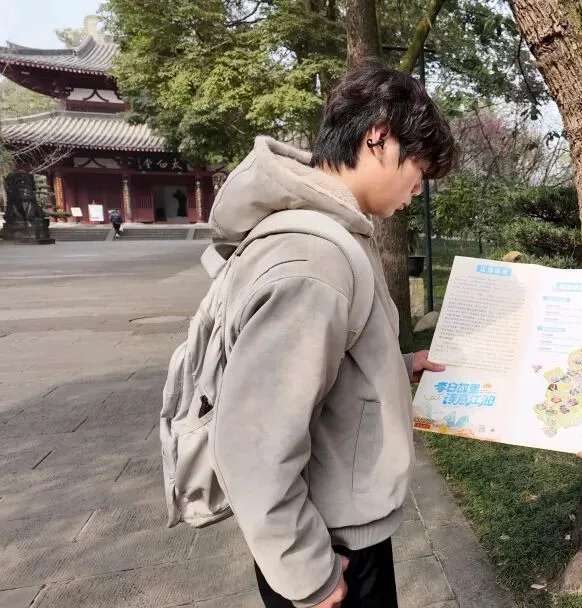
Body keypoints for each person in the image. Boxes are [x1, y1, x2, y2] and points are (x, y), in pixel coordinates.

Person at [207, 61, 455, 608]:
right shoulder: (314, 258)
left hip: (335, 524)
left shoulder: (333, 232)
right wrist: (307, 573)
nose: (417, 189)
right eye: (418, 170)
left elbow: (321, 365)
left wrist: (398, 365)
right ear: (378, 138)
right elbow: (254, 440)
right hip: (328, 546)